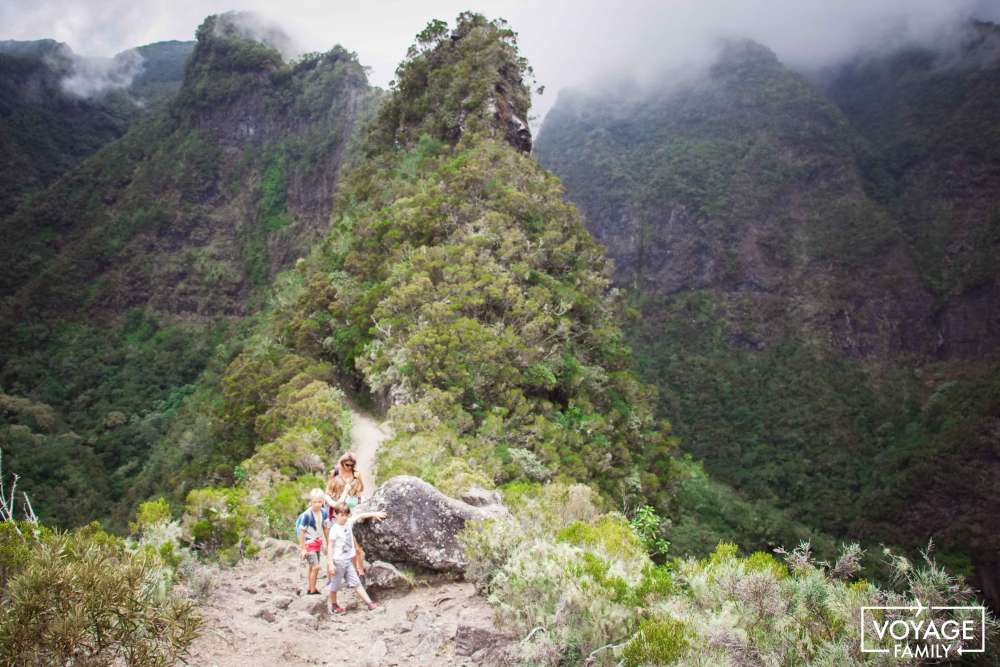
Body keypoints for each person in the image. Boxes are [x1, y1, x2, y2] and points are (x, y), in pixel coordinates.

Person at [325, 501, 386, 614]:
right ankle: (334, 605)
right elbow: (330, 547)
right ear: (335, 515)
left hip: (347, 561)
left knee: (356, 583)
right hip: (338, 561)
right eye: (341, 515)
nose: (343, 518)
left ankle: (370, 603)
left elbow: (360, 515)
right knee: (335, 585)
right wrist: (331, 564)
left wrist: (374, 513)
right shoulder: (334, 529)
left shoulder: (348, 522)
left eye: (345, 515)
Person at [325, 452, 367, 576]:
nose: (349, 467)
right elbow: (328, 490)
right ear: (342, 463)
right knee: (335, 544)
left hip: (353, 510)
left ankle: (359, 571)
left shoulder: (356, 474)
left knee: (356, 545)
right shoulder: (335, 474)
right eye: (347, 464)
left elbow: (361, 489)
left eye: (352, 465)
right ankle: (332, 575)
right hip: (338, 512)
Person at [295, 488, 328, 595]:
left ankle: (310, 588)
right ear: (311, 502)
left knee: (311, 567)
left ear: (323, 501)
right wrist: (303, 548)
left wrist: (326, 543)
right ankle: (313, 590)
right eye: (315, 502)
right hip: (309, 544)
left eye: (319, 501)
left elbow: (325, 528)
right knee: (316, 567)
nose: (317, 504)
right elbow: (302, 532)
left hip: (317, 542)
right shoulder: (307, 515)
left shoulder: (323, 512)